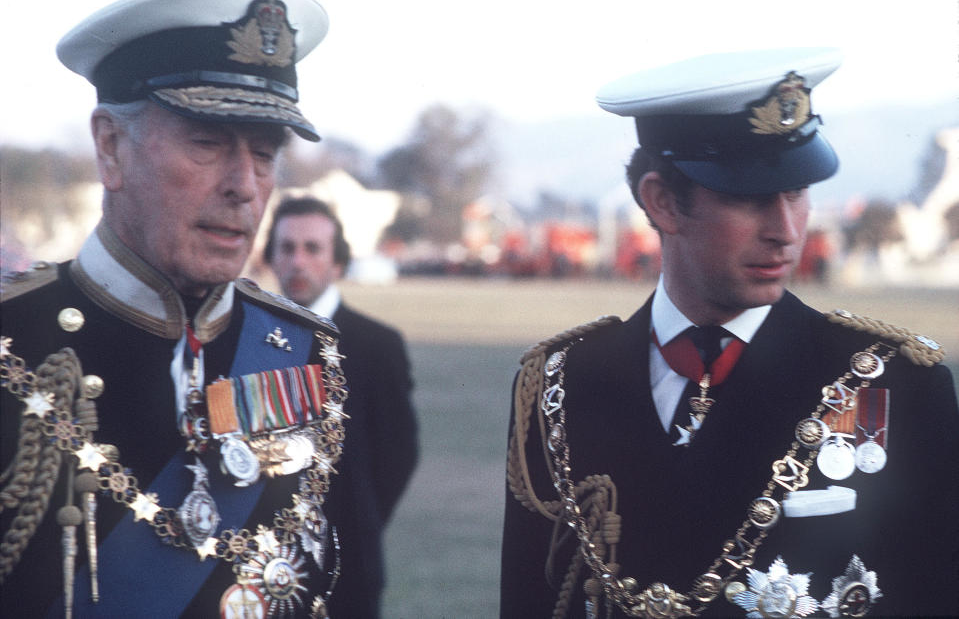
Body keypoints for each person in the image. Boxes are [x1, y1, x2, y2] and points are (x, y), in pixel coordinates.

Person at [500, 48, 959, 618]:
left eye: (796, 193)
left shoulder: (898, 384)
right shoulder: (560, 384)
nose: (786, 232)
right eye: (751, 198)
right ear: (662, 202)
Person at [1, 0, 350, 618]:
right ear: (110, 146)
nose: (244, 186)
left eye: (266, 154)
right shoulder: (12, 340)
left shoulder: (305, 351)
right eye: (208, 144)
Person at [263, 196, 419, 618]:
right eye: (287, 248)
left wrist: (356, 524)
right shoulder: (249, 341)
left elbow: (397, 456)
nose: (298, 261)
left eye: (313, 248)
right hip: (258, 570)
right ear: (270, 258)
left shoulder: (377, 345)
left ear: (337, 262)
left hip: (348, 569)